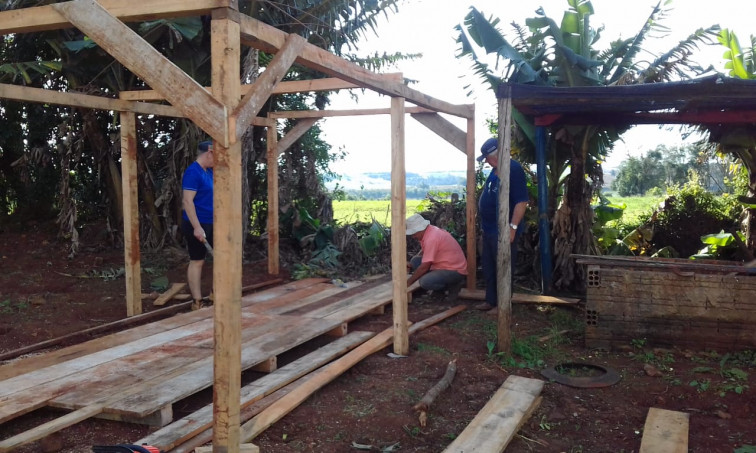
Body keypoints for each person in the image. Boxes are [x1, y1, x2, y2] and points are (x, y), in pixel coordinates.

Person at [476, 137, 529, 311]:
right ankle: (491, 301)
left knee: (504, 268)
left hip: (503, 230)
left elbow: (521, 202)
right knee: (489, 267)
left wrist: (512, 228)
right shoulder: (495, 170)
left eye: (487, 158)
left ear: (496, 155)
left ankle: (503, 305)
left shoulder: (513, 169)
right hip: (490, 230)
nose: (487, 162)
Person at [181, 140, 214, 310]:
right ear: (209, 153)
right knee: (197, 261)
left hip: (213, 222)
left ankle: (216, 294)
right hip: (197, 223)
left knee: (221, 259)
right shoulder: (193, 172)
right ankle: (197, 301)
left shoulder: (210, 172)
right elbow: (188, 201)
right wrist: (197, 227)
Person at [405, 213, 467, 295]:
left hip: (454, 270)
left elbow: (424, 267)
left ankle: (449, 287)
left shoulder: (432, 238)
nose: (413, 236)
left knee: (424, 282)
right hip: (443, 264)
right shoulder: (429, 231)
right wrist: (411, 264)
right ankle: (436, 281)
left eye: (414, 233)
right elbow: (424, 250)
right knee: (415, 261)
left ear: (420, 230)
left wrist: (407, 283)